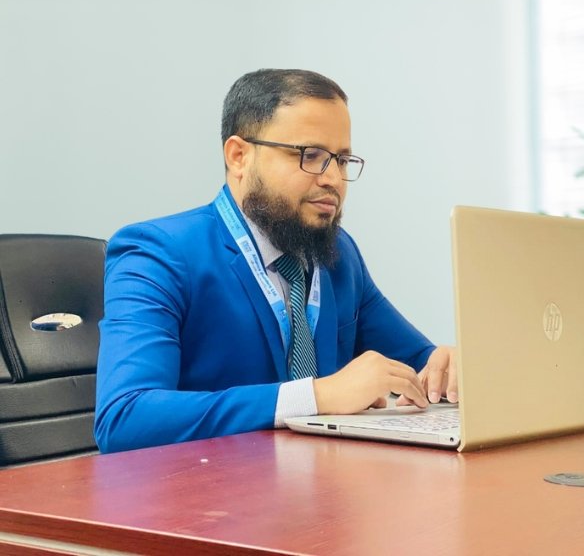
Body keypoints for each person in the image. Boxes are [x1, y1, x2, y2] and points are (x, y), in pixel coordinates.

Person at [94, 68, 456, 454]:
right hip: (213, 486)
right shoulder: (158, 253)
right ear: (239, 156)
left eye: (342, 160)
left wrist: (447, 367)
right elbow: (124, 418)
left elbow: (420, 363)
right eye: (310, 156)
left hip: (325, 483)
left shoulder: (338, 254)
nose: (333, 179)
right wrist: (315, 396)